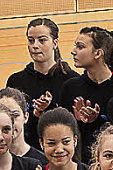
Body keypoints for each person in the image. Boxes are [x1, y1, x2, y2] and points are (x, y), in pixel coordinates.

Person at [6, 17, 78, 150]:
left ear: (55, 43)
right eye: (31, 40)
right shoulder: (16, 81)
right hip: (28, 151)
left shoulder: (71, 80)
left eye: (42, 40)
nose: (35, 45)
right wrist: (35, 114)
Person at [58, 26, 113, 153]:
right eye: (75, 46)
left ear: (98, 53)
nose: (73, 51)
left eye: (80, 47)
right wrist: (75, 121)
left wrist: (98, 120)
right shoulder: (70, 87)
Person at [0, 88, 46, 163]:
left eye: (15, 115)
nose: (10, 122)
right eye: (3, 115)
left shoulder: (42, 162)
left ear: (26, 117)